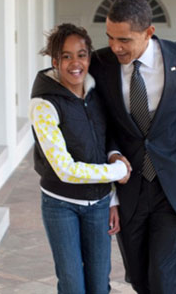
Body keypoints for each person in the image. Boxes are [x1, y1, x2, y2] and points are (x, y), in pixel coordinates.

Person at [89, 0, 176, 293]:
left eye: (124, 39)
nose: (115, 46)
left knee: (164, 275)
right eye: (109, 37)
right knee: (140, 276)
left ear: (149, 32)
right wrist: (113, 154)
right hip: (129, 184)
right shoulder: (101, 63)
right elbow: (99, 122)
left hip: (172, 187)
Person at [29, 23, 131, 294]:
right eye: (66, 56)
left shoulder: (96, 92)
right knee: (73, 285)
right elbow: (64, 170)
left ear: (89, 57)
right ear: (55, 61)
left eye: (82, 54)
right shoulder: (43, 104)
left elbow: (106, 137)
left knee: (99, 285)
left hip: (98, 204)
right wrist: (116, 172)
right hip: (61, 205)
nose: (75, 63)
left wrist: (112, 195)